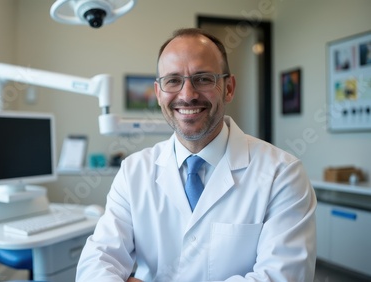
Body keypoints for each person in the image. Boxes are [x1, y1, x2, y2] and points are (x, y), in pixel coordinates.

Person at [76, 28, 316, 282]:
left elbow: (284, 277)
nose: (188, 94)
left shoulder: (283, 174)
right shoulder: (133, 172)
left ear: (229, 88)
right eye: (173, 80)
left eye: (203, 79)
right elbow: (97, 262)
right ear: (158, 93)